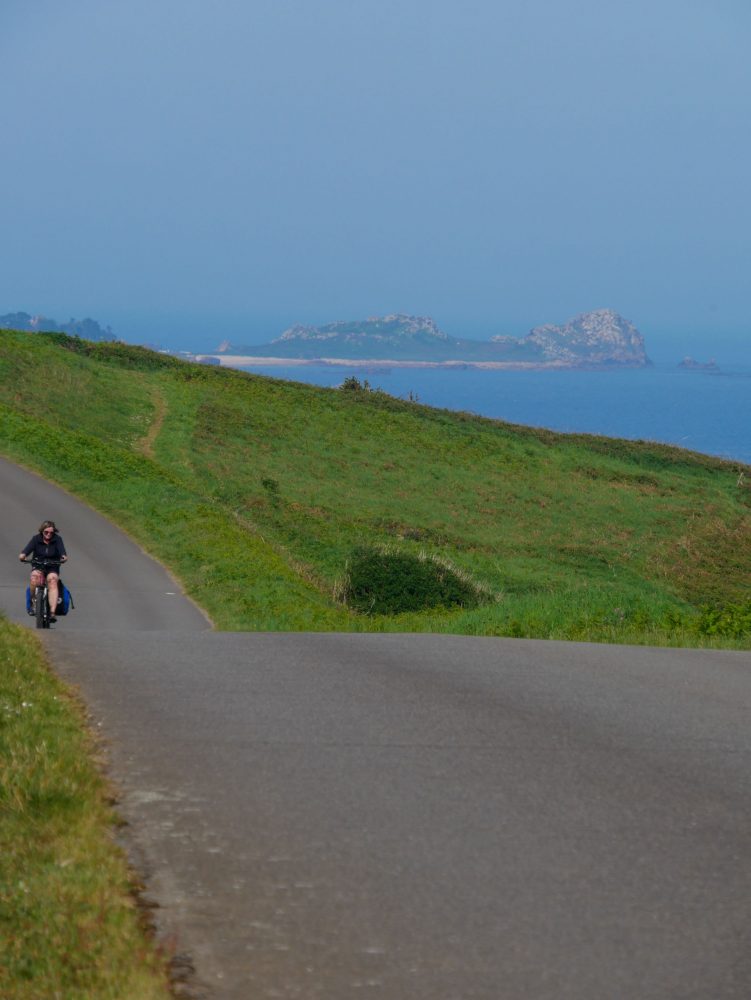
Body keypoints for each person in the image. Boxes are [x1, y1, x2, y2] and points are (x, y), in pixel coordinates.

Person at [19, 520, 68, 622]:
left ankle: (53, 613)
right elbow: (26, 551)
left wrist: (63, 557)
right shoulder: (36, 539)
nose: (49, 534)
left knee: (53, 581)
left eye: (51, 532)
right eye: (46, 532)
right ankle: (33, 603)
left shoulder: (57, 539)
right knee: (34, 578)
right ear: (42, 531)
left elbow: (62, 552)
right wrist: (23, 555)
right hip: (38, 565)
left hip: (52, 566)